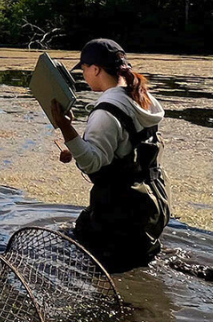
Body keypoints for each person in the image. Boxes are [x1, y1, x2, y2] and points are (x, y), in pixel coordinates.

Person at [50, 38, 170, 272]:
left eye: (84, 69)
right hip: (152, 202)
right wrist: (76, 147)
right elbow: (126, 146)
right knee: (141, 265)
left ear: (95, 69)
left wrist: (65, 128)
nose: (84, 75)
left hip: (122, 212)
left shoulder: (106, 110)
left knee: (103, 271)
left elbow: (93, 164)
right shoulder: (142, 98)